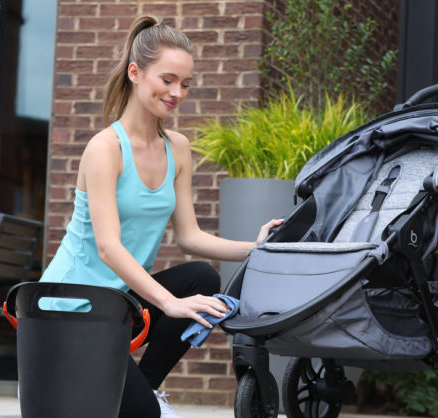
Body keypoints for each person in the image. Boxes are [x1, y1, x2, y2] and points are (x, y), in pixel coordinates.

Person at [39, 15, 282, 418]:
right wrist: (170, 303)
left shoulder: (177, 148)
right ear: (135, 72)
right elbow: (108, 247)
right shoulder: (105, 149)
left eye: (185, 84)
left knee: (202, 278)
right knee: (143, 413)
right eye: (167, 80)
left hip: (118, 306)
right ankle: (137, 401)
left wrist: (256, 248)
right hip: (71, 308)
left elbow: (189, 236)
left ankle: (146, 389)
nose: (176, 93)